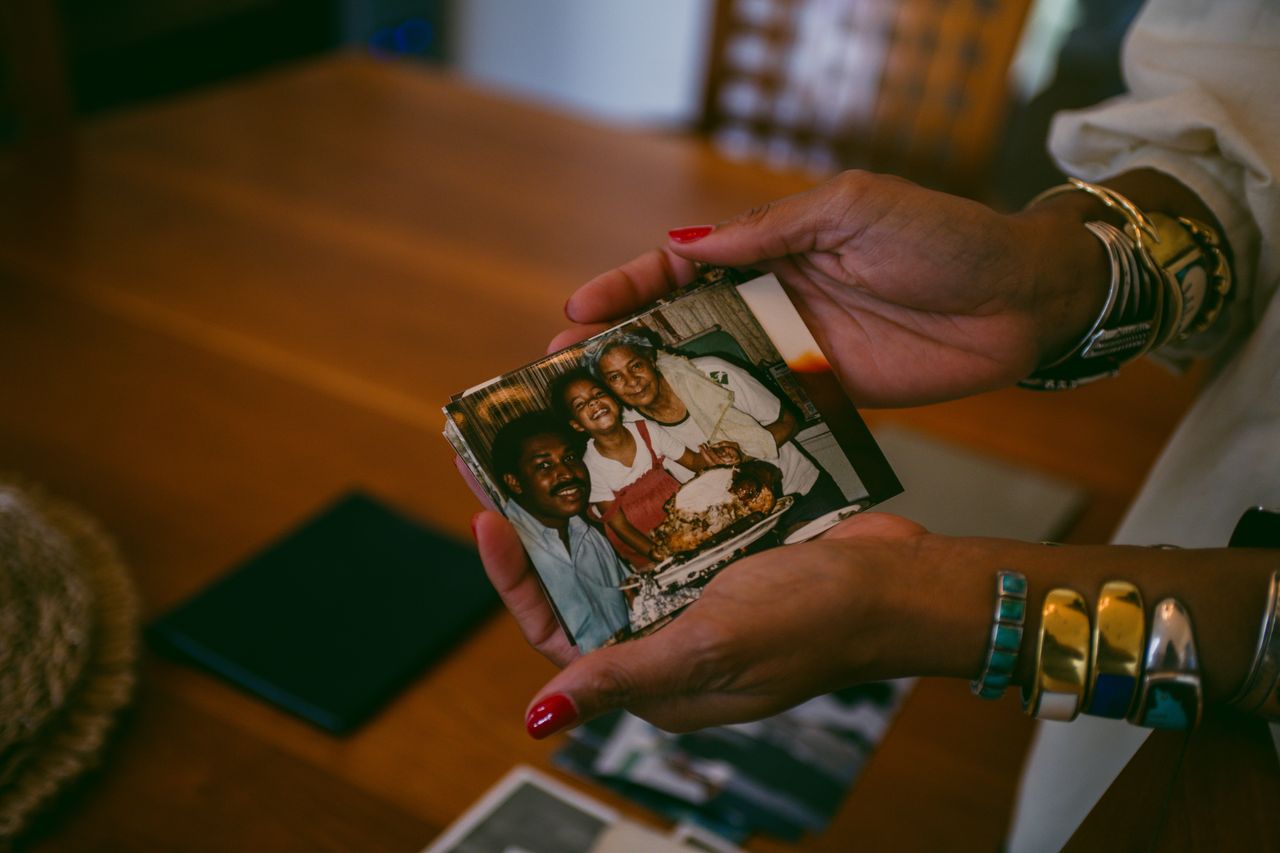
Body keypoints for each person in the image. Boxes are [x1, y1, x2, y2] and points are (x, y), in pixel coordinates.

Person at [469, 2, 1280, 848]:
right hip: (1141, 626)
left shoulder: (705, 375)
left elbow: (780, 432)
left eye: (630, 376)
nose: (623, 388)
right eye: (609, 389)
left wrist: (912, 603)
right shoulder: (623, 448)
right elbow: (1237, 123)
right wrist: (1045, 279)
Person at [583, 330, 848, 531]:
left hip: (799, 493)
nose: (632, 382)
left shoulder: (712, 375)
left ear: (651, 360)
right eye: (615, 377)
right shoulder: (629, 425)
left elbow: (790, 422)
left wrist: (744, 452)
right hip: (737, 527)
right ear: (607, 387)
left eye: (636, 366)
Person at [548, 367, 733, 568]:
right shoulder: (590, 467)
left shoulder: (647, 430)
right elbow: (619, 525)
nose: (593, 402)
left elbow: (694, 462)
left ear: (616, 400)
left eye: (599, 393)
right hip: (640, 540)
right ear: (577, 425)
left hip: (681, 519)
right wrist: (656, 553)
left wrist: (714, 457)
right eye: (581, 404)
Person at [490, 411, 631, 652]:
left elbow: (633, 600)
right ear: (515, 482)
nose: (567, 473)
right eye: (544, 465)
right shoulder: (510, 549)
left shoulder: (588, 532)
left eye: (570, 457)